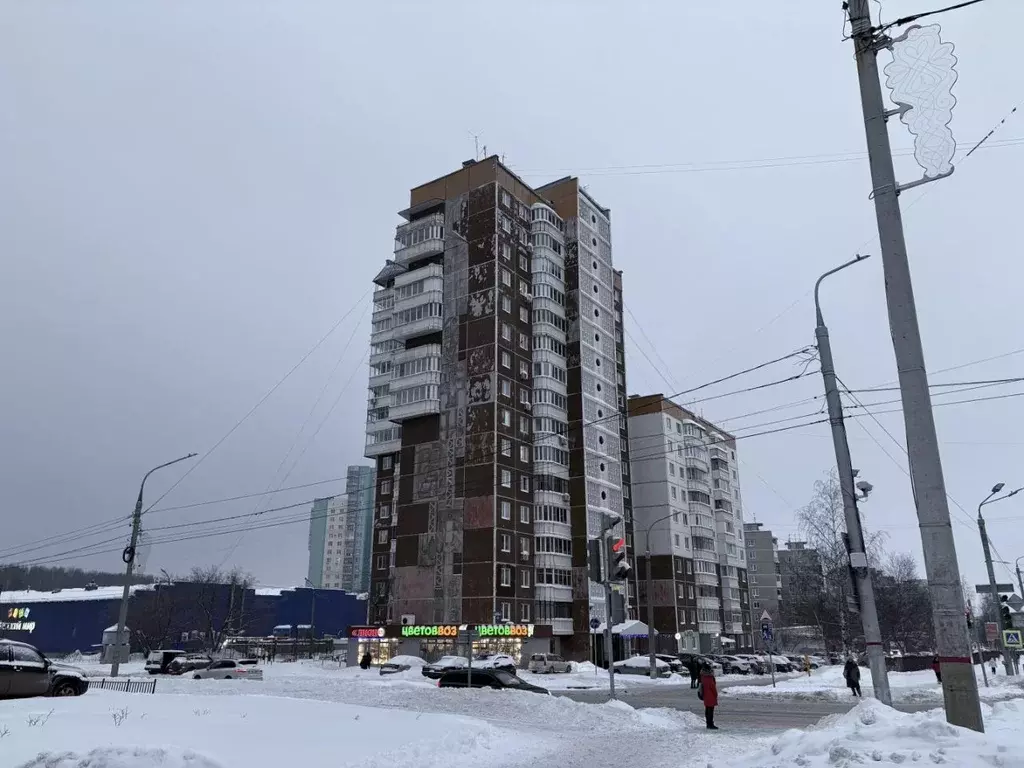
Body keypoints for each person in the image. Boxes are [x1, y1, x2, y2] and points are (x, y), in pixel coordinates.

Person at [698, 662, 719, 730]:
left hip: (705, 695)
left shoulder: (703, 677)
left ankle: (708, 723)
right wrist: (716, 694)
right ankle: (710, 724)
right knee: (710, 710)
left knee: (707, 709)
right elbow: (713, 687)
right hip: (711, 696)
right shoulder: (709, 677)